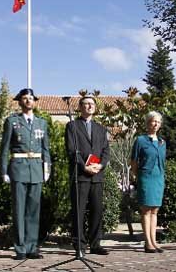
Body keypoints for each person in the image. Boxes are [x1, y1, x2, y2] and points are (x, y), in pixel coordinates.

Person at [0, 88, 50, 260]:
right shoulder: (12, 121)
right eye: (25, 98)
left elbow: (45, 149)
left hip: (36, 169)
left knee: (34, 210)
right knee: (19, 210)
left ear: (35, 102)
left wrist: (46, 169)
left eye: (31, 98)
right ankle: (20, 248)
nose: (28, 101)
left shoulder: (41, 123)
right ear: (20, 102)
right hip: (18, 169)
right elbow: (5, 148)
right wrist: (4, 170)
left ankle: (32, 246)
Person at [65, 96, 110, 256]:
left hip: (97, 176)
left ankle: (95, 244)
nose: (89, 106)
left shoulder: (101, 129)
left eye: (92, 104)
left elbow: (106, 151)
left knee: (97, 210)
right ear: (80, 107)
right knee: (79, 211)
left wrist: (101, 165)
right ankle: (79, 246)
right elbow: (71, 150)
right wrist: (83, 166)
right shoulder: (72, 126)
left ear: (95, 108)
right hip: (80, 175)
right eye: (86, 104)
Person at [130, 111, 166, 253]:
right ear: (147, 123)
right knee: (146, 210)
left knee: (155, 210)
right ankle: (148, 243)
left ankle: (154, 241)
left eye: (158, 121)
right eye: (153, 121)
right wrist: (137, 175)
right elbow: (133, 161)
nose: (155, 124)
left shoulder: (163, 142)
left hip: (158, 178)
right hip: (145, 177)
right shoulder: (140, 140)